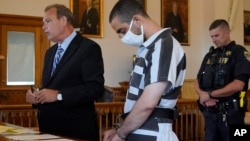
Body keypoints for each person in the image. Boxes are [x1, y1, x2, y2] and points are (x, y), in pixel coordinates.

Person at [103, 0, 186, 141]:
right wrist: (119, 129)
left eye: (122, 31)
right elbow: (136, 101)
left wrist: (121, 133)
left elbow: (148, 103)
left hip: (153, 132)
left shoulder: (164, 45)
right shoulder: (147, 47)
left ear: (137, 20)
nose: (121, 37)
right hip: (138, 131)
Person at [26, 4, 104, 141]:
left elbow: (95, 88)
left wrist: (59, 95)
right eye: (43, 23)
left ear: (63, 20)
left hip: (75, 131)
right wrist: (37, 96)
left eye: (47, 21)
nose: (43, 27)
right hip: (48, 130)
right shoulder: (50, 53)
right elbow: (50, 87)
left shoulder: (89, 48)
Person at [195, 19, 250, 141]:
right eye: (212, 36)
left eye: (217, 35)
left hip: (234, 115)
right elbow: (197, 80)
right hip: (211, 115)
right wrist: (203, 95)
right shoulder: (209, 55)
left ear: (227, 32)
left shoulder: (240, 53)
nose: (214, 39)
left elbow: (238, 85)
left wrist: (209, 95)